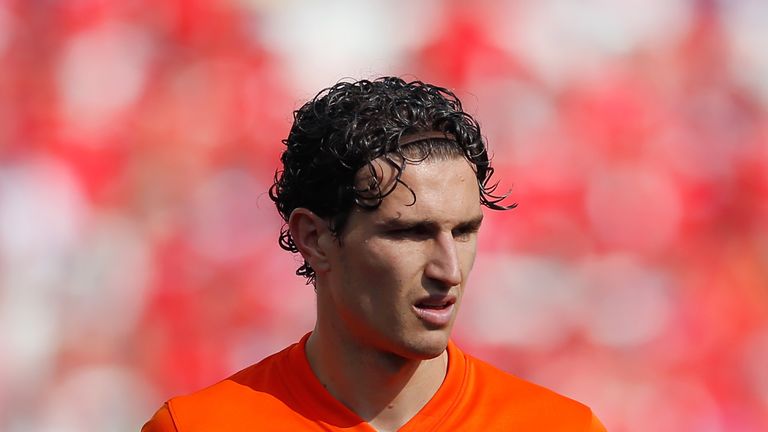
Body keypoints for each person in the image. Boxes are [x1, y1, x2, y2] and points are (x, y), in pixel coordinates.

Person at [142, 77, 606, 431]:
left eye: (464, 231)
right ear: (316, 238)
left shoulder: (558, 425)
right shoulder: (200, 426)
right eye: (409, 233)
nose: (449, 271)